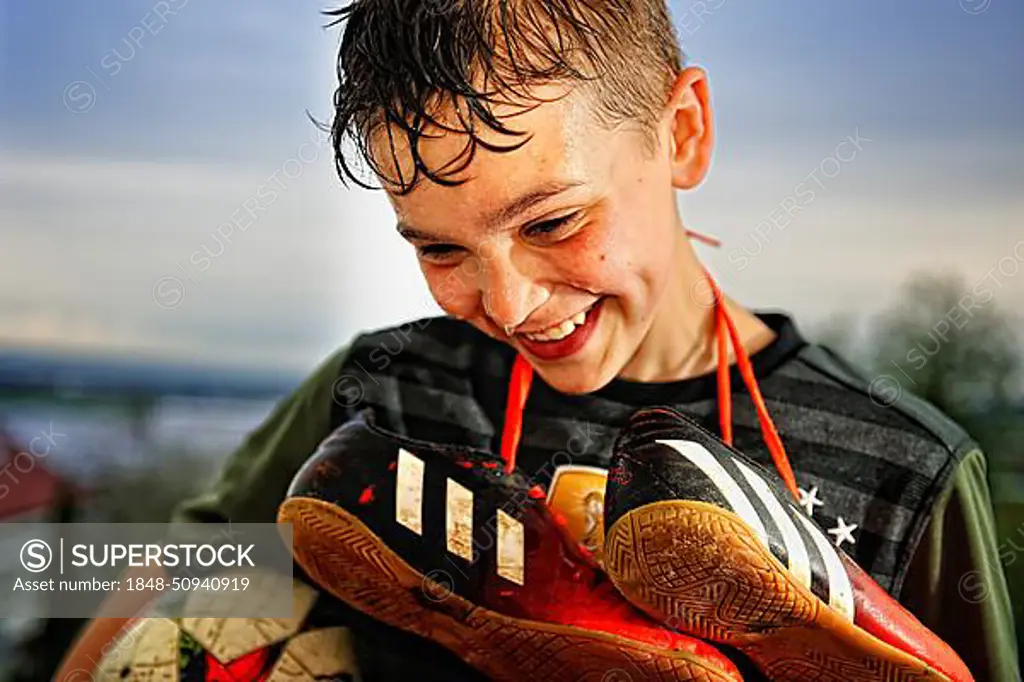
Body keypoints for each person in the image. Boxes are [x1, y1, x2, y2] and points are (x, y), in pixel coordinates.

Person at [57, 1, 1018, 680]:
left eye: (552, 222)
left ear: (681, 133)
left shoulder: (907, 468)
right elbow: (184, 562)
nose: (508, 303)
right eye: (439, 247)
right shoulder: (380, 388)